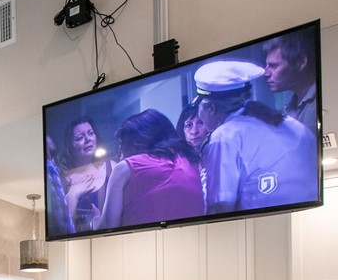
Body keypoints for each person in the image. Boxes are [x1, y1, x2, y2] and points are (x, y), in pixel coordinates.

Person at [193, 60, 317, 214]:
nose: (199, 117)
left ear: (211, 108)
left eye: (198, 108)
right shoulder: (285, 121)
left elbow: (220, 207)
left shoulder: (224, 137)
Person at [92, 109, 204, 230]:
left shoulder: (124, 168)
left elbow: (108, 228)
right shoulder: (194, 161)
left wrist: (94, 220)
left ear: (135, 142)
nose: (121, 156)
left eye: (122, 146)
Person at [58, 118, 112, 232]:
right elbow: (61, 229)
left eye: (91, 133)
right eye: (79, 138)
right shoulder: (61, 181)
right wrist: (73, 194)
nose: (88, 139)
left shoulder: (113, 168)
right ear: (70, 146)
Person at [263, 31, 318, 132]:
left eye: (274, 66)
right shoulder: (291, 107)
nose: (265, 73)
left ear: (300, 62)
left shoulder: (321, 100)